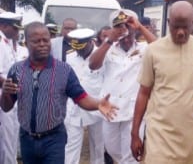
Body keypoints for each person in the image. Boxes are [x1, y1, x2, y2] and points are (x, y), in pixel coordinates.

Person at [0, 22, 117, 164]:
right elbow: (6, 107)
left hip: (54, 139)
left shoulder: (64, 70)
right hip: (27, 139)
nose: (42, 44)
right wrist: (5, 92)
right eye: (37, 41)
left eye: (46, 40)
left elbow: (81, 98)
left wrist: (98, 104)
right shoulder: (17, 70)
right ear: (26, 43)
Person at [131, 0, 193, 164]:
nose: (180, 32)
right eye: (175, 27)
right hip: (159, 132)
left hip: (191, 134)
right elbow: (143, 92)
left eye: (185, 27)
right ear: (168, 23)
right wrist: (135, 133)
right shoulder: (153, 50)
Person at [89, 9, 156, 164]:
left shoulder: (144, 48)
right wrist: (110, 40)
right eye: (120, 26)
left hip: (134, 111)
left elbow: (161, 48)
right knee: (112, 149)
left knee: (131, 155)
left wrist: (140, 27)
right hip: (110, 109)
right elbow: (93, 64)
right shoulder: (108, 48)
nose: (125, 29)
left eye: (128, 25)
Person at [64, 28, 106, 164]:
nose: (78, 51)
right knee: (71, 146)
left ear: (90, 42)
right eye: (76, 48)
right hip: (74, 107)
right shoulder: (69, 56)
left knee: (98, 147)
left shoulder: (102, 55)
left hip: (96, 107)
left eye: (81, 48)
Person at [0, 11, 28, 164]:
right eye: (15, 28)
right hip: (4, 95)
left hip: (11, 94)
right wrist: (11, 87)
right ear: (3, 25)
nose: (18, 32)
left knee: (11, 135)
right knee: (7, 137)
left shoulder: (7, 42)